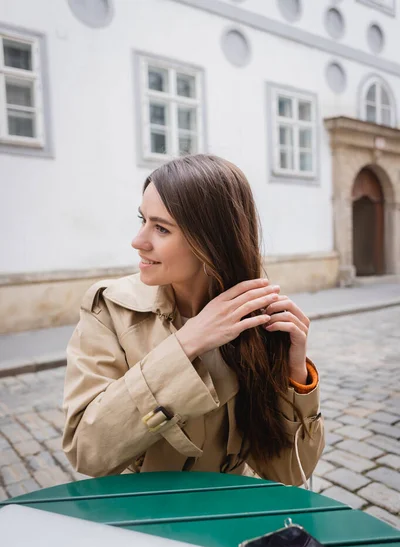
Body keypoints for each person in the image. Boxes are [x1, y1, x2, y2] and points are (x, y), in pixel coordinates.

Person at [63, 154, 324, 486]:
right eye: (142, 220)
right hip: (136, 514)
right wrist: (187, 343)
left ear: (210, 240)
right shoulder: (110, 309)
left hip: (223, 520)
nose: (138, 241)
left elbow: (292, 473)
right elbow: (86, 452)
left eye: (160, 228)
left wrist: (295, 373)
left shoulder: (257, 321)